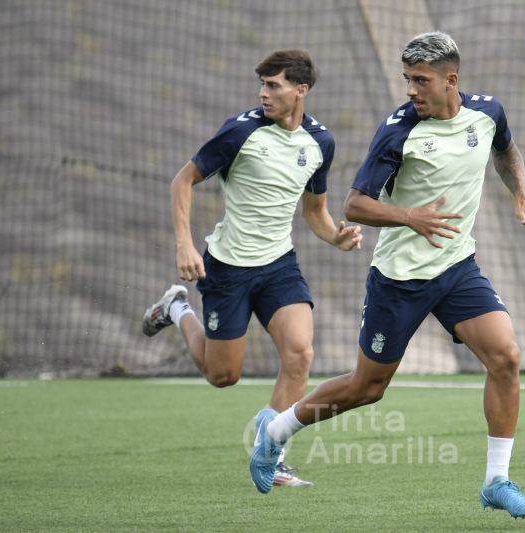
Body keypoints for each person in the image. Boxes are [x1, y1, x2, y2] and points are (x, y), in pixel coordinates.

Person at [249, 32, 525, 518]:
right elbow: (354, 204)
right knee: (368, 387)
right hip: (399, 278)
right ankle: (275, 430)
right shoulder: (399, 130)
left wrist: (523, 196)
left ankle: (497, 481)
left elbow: (505, 151)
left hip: (456, 268)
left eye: (420, 80)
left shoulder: (487, 113)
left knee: (506, 358)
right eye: (407, 79)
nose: (410, 89)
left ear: (451, 80)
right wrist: (412, 216)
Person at [142, 49, 363, 489]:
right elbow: (182, 180)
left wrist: (335, 237)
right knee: (223, 375)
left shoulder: (321, 142)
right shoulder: (240, 132)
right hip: (227, 268)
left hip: (279, 266)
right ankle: (177, 308)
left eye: (274, 85)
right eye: (262, 85)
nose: (264, 93)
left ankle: (273, 456)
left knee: (300, 354)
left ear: (301, 90)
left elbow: (315, 210)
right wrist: (185, 244)